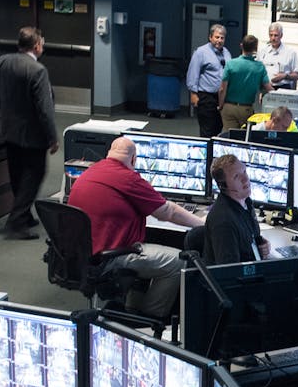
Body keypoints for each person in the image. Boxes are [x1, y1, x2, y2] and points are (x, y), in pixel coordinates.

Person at [67, 136, 205, 319]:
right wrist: (204, 224)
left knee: (147, 247)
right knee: (178, 262)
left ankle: (131, 311)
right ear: (133, 159)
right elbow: (168, 212)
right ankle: (150, 318)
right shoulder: (127, 178)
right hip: (108, 257)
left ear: (109, 153)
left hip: (83, 253)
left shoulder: (91, 171)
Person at [0, 26, 58, 240]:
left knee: (17, 172)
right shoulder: (38, 70)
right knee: (34, 175)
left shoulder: (4, 61)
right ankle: (17, 221)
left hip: (9, 129)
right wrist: (52, 137)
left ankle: (25, 214)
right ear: (37, 45)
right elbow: (44, 109)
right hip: (33, 134)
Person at [204, 154, 270, 265]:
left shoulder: (246, 202)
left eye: (244, 171)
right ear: (223, 186)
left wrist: (262, 245)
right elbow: (229, 272)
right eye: (236, 176)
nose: (245, 179)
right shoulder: (223, 221)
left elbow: (250, 237)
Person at [218, 35, 271, 133]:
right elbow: (269, 88)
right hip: (246, 108)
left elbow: (222, 89)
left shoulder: (231, 64)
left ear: (241, 46)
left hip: (229, 107)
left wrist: (221, 105)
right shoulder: (259, 67)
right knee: (244, 136)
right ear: (255, 48)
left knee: (228, 135)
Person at [186, 23, 230, 138]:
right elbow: (193, 74)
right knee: (207, 130)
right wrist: (193, 94)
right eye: (217, 37)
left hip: (221, 98)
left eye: (222, 38)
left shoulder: (227, 53)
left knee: (219, 129)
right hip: (206, 97)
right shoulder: (201, 52)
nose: (219, 40)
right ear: (210, 37)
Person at [259, 22, 298, 90]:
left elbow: (297, 75)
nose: (273, 38)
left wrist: (285, 76)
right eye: (271, 35)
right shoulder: (263, 52)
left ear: (281, 35)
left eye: (276, 35)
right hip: (266, 88)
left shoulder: (290, 52)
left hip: (284, 88)